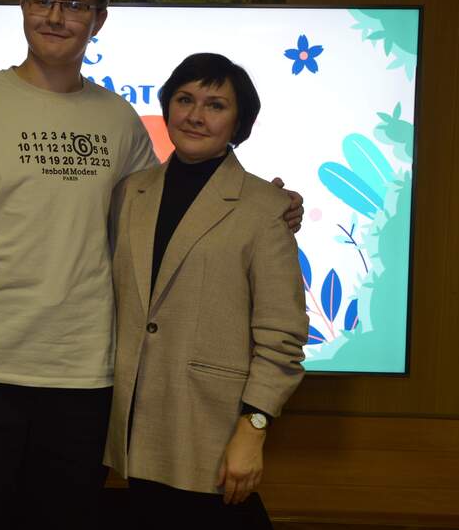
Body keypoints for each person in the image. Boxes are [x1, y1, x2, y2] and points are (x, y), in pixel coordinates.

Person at [0, 0, 304, 530]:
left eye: (75, 5)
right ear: (23, 5)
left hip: (86, 389)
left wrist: (272, 206)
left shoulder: (119, 122)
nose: (56, 17)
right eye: (43, 0)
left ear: (98, 19)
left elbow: (171, 214)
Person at [104, 53, 309, 529]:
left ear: (239, 122)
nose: (196, 115)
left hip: (211, 429)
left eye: (215, 105)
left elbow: (282, 337)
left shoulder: (265, 207)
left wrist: (254, 428)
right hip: (131, 424)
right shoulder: (128, 193)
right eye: (184, 100)